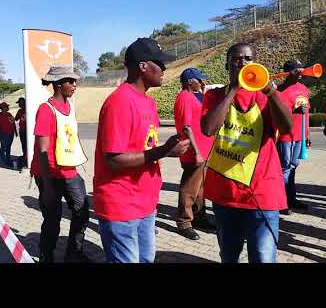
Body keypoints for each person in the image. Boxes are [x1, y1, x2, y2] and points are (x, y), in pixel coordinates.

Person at [93, 38, 191, 263]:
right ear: (143, 66)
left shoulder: (147, 102)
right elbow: (114, 161)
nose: (165, 68)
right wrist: (164, 151)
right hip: (121, 205)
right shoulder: (119, 102)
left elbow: (144, 145)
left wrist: (169, 147)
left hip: (145, 201)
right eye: (160, 63)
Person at [200, 43, 292, 263]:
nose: (242, 63)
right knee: (229, 255)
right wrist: (233, 89)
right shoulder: (215, 96)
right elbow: (208, 128)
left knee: (263, 257)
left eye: (247, 58)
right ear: (227, 64)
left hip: (263, 193)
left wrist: (272, 93)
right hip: (226, 194)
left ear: (256, 63)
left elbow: (287, 127)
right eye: (236, 59)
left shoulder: (267, 96)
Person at [30, 64, 90, 263]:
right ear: (57, 85)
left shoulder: (69, 107)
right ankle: (46, 256)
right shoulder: (45, 110)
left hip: (69, 171)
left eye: (74, 81)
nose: (74, 85)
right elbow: (42, 150)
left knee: (82, 211)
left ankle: (74, 253)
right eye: (69, 81)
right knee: (53, 219)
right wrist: (47, 186)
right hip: (49, 173)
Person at [173, 68, 216, 240]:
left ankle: (199, 217)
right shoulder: (184, 97)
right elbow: (186, 127)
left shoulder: (197, 95)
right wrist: (197, 152)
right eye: (200, 80)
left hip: (204, 150)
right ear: (191, 81)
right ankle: (184, 222)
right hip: (194, 151)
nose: (203, 82)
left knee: (200, 188)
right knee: (190, 187)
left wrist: (204, 91)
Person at [276, 60, 311, 214]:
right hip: (285, 136)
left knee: (293, 167)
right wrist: (294, 111)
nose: (301, 73)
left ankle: (291, 198)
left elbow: (307, 114)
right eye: (297, 70)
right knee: (284, 168)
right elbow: (277, 114)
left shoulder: (304, 89)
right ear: (289, 72)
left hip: (299, 135)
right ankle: (280, 202)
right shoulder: (280, 90)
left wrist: (307, 134)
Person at [0, 102, 17, 167]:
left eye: (7, 106)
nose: (7, 108)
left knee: (8, 147)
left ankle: (8, 159)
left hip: (11, 133)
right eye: (6, 107)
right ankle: (3, 159)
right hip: (3, 134)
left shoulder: (9, 114)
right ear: (2, 108)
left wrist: (15, 131)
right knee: (3, 147)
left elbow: (13, 123)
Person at [15, 97, 27, 167]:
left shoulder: (28, 109)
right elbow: (16, 119)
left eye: (20, 103)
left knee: (27, 144)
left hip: (27, 131)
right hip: (22, 130)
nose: (19, 104)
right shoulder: (19, 111)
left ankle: (27, 156)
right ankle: (24, 155)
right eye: (18, 103)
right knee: (23, 144)